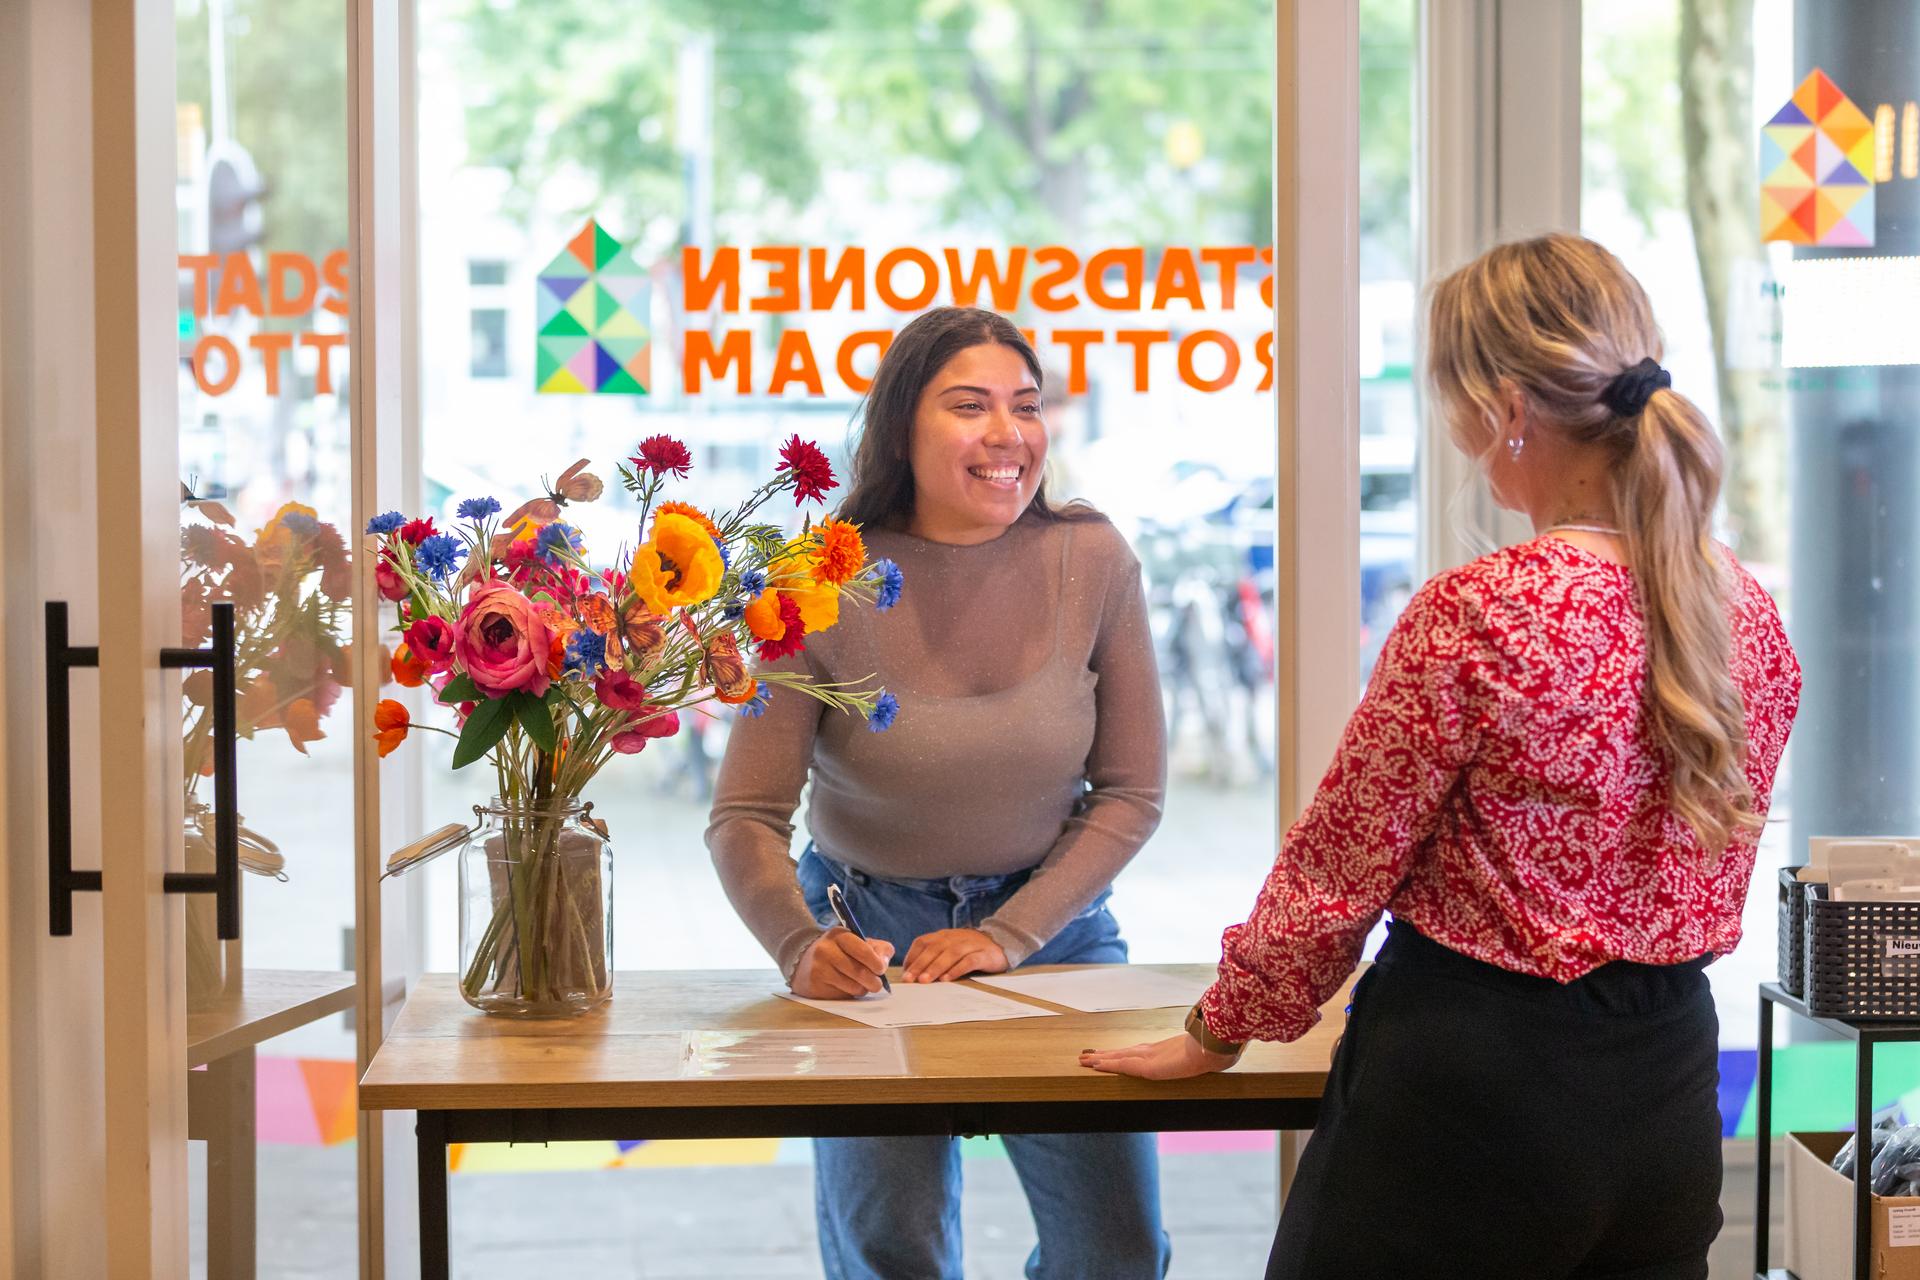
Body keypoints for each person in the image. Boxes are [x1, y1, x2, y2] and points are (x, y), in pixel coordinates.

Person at [1082, 234, 1802, 1280]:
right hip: (1668, 1093)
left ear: (1507, 411)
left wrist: (1219, 1026)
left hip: (1477, 1097)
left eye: (1458, 409)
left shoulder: (1485, 611)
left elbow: (1339, 867)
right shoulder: (1742, 611)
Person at [706, 306, 1171, 1280]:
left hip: (1058, 934)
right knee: (891, 1250)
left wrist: (1010, 932)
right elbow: (745, 815)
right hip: (868, 936)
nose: (1009, 434)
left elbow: (1131, 791)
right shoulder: (817, 580)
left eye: (1027, 406)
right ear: (902, 430)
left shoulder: (1091, 558)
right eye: (971, 406)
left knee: (1119, 1250)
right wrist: (798, 944)